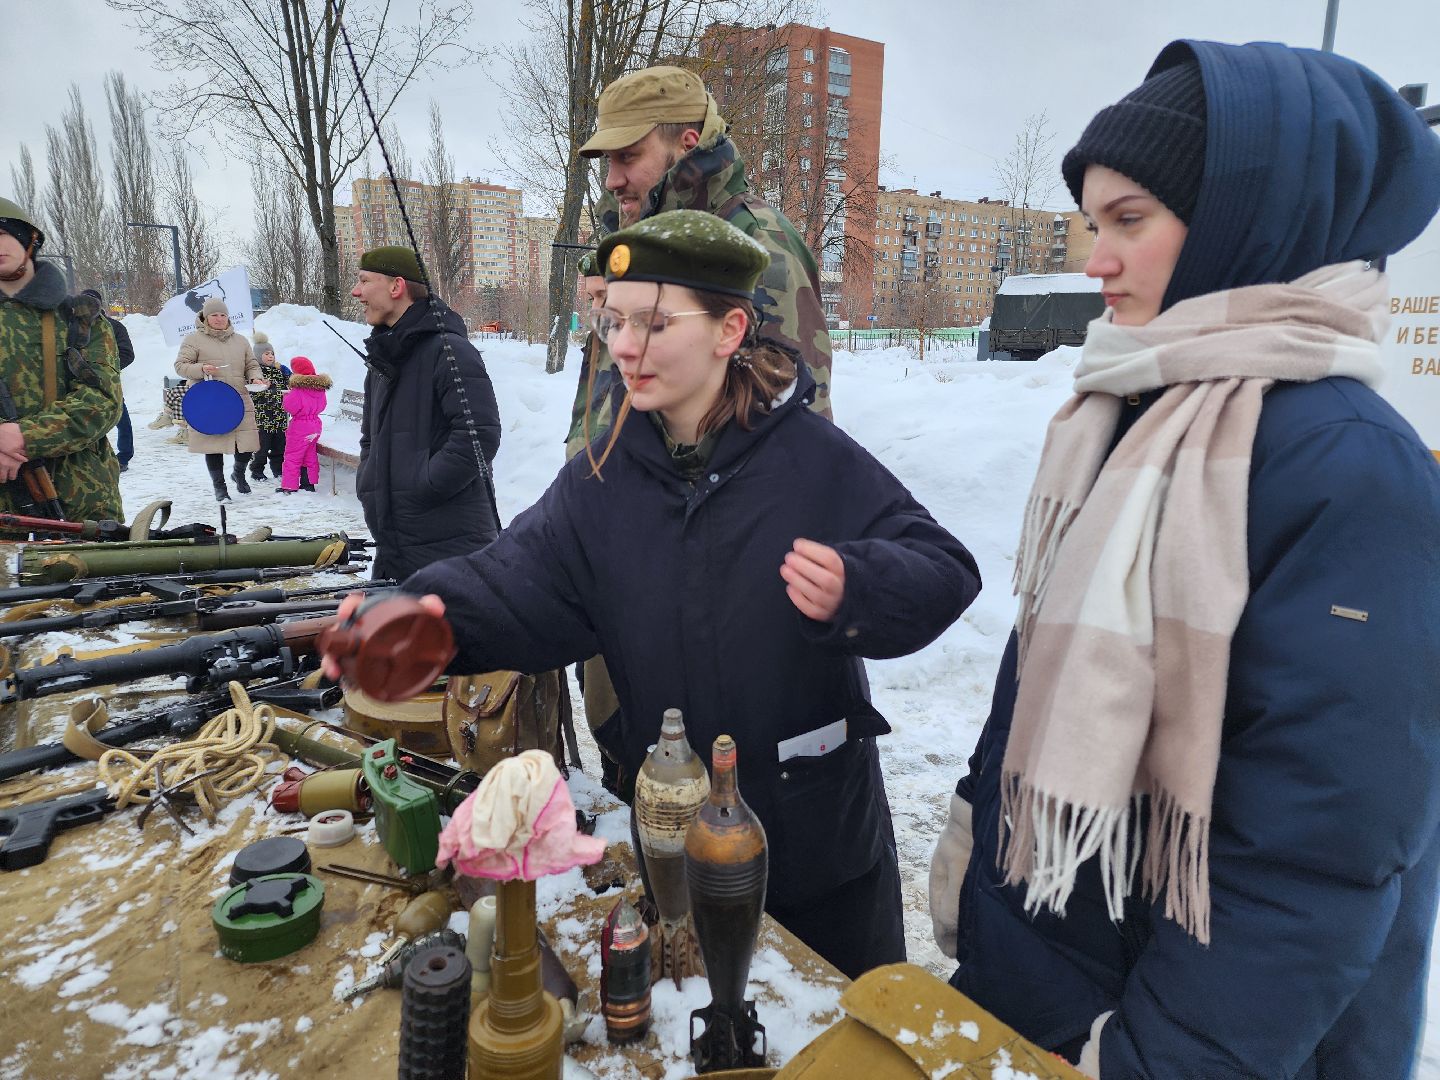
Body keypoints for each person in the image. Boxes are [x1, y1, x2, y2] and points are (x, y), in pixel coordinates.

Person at [928, 40, 1440, 1078]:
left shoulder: (1352, 473)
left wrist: (1146, 1061)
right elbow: (1038, 678)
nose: (1093, 260)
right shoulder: (1128, 409)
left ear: (1251, 223)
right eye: (1089, 222)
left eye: (1130, 221)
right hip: (1061, 991)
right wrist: (982, 848)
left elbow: (1312, 863)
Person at [333, 212, 982, 980]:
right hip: (674, 851)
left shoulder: (811, 458)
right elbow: (513, 582)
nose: (626, 346)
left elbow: (944, 566)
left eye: (654, 322)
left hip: (815, 861)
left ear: (730, 329)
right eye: (614, 321)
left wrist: (861, 585)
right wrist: (423, 617)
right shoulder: (603, 475)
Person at [565, 65, 835, 456]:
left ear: (687, 145)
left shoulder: (759, 244)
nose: (611, 180)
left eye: (628, 156)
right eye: (609, 160)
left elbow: (794, 440)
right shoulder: (650, 244)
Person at [351, 245, 501, 581]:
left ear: (396, 286)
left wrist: (424, 486)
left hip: (450, 550)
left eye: (364, 281)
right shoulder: (383, 360)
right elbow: (369, 439)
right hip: (395, 548)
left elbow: (479, 435)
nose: (356, 291)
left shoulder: (450, 350)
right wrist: (370, 481)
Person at [0, 199, 124, 522]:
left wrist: (24, 437)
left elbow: (103, 401)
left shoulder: (79, 317)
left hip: (79, 504)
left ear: (31, 240)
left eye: (3, 233)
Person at [173, 297, 265, 502]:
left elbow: (251, 364)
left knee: (246, 443)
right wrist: (200, 369)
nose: (219, 318)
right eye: (214, 315)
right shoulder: (193, 339)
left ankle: (238, 473)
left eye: (223, 315)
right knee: (212, 445)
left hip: (238, 397)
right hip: (209, 400)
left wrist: (255, 376)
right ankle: (220, 487)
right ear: (206, 316)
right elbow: (180, 366)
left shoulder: (240, 340)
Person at [82, 288, 134, 473]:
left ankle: (124, 456)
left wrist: (106, 369)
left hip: (109, 382)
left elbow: (128, 354)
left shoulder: (115, 327)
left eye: (92, 302)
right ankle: (89, 458)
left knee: (121, 419)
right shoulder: (71, 327)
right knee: (83, 420)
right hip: (80, 384)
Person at [277, 356, 329, 495]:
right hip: (315, 425)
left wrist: (287, 396)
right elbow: (323, 405)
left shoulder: (298, 390)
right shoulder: (319, 388)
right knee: (309, 455)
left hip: (300, 426)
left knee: (293, 456)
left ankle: (289, 486)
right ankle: (308, 483)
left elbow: (290, 407)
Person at [248, 331, 290, 482]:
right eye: (266, 353)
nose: (271, 356)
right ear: (258, 356)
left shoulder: (280, 371)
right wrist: (265, 387)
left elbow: (290, 383)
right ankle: (257, 470)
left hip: (279, 416)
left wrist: (286, 373)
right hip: (263, 417)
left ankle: (278, 469)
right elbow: (252, 393)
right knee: (261, 447)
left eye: (272, 353)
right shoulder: (255, 373)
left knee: (280, 446)